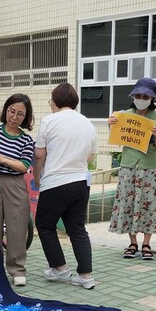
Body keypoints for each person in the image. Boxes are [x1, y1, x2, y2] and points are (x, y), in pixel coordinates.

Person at [34, 83, 98, 289]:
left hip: (55, 181)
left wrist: (37, 178)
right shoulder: (87, 123)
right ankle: (86, 276)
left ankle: (60, 269)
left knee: (44, 225)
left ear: (55, 101)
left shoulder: (49, 121)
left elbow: (39, 155)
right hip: (80, 181)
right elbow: (90, 156)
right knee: (77, 228)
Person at [0, 93, 35, 286]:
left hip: (15, 184)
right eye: (12, 111)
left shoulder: (26, 140)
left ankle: (17, 269)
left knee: (17, 228)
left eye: (20, 114)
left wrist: (2, 159)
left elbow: (24, 165)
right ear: (6, 110)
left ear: (25, 118)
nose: (14, 116)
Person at [108, 77, 156, 260]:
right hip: (128, 165)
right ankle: (132, 243)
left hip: (149, 167)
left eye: (145, 96)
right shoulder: (124, 115)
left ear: (152, 98)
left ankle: (147, 243)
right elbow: (118, 139)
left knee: (150, 204)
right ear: (133, 96)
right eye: (138, 95)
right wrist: (112, 126)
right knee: (128, 203)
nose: (141, 98)